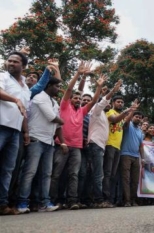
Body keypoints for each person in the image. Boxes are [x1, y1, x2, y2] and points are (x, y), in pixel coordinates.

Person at [50, 62, 103, 210]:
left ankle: (72, 200)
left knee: (74, 174)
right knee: (57, 174)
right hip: (62, 144)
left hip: (76, 147)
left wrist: (98, 88)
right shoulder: (64, 105)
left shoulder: (82, 111)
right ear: (69, 99)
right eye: (76, 98)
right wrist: (78, 74)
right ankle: (54, 200)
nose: (78, 100)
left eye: (79, 99)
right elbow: (68, 89)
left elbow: (93, 102)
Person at [17, 77, 65, 213]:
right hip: (36, 138)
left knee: (46, 174)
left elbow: (57, 124)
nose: (58, 89)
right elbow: (52, 117)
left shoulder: (55, 102)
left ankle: (44, 203)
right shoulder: (39, 97)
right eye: (56, 86)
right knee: (30, 172)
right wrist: (62, 121)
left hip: (49, 141)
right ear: (49, 86)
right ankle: (22, 203)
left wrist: (61, 138)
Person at [0, 51, 31, 215]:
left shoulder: (25, 87)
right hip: (1, 126)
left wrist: (26, 131)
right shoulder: (3, 77)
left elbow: (24, 111)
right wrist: (15, 100)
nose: (11, 63)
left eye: (15, 62)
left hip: (15, 131)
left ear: (23, 66)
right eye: (9, 60)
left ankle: (2, 204)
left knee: (8, 169)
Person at [87, 79, 122, 208]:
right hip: (95, 144)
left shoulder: (103, 115)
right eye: (106, 102)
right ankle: (98, 200)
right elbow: (103, 101)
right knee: (98, 174)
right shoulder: (96, 110)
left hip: (100, 146)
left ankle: (93, 199)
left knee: (97, 173)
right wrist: (113, 91)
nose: (107, 104)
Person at [120, 106, 143, 207]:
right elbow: (126, 122)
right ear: (132, 117)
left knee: (135, 180)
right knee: (126, 179)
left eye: (139, 117)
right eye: (136, 116)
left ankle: (133, 200)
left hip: (136, 157)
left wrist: (143, 158)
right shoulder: (128, 125)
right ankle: (127, 200)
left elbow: (141, 146)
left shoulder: (140, 131)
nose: (138, 118)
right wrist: (132, 111)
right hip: (125, 155)